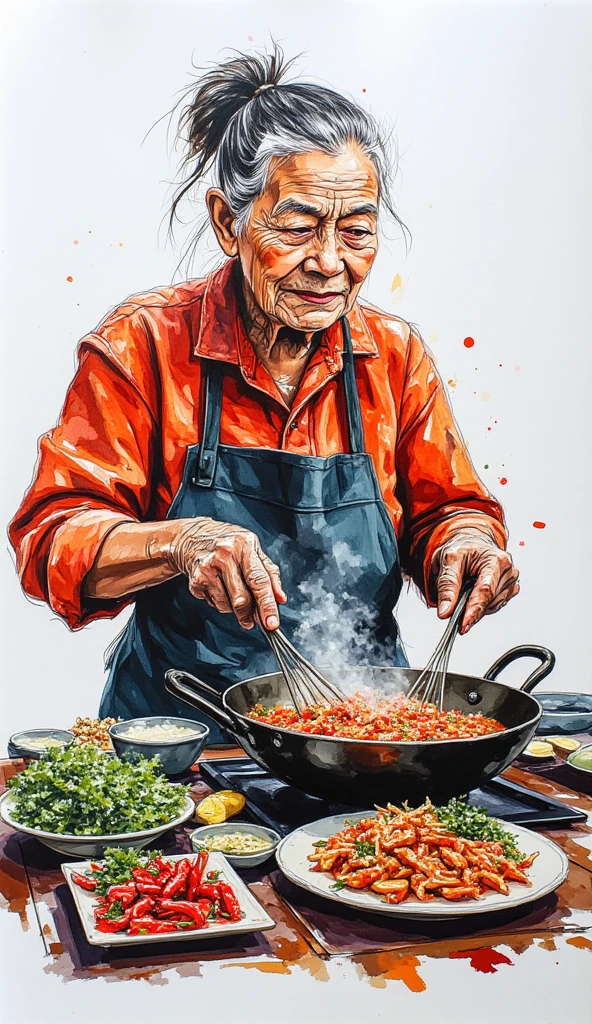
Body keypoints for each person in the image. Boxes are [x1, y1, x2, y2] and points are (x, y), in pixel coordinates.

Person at [8, 48, 519, 742]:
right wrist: (184, 542)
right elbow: (53, 541)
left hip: (365, 735)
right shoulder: (143, 345)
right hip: (181, 731)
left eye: (358, 231)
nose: (331, 262)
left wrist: (466, 544)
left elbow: (448, 510)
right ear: (228, 222)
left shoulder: (393, 357)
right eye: (299, 227)